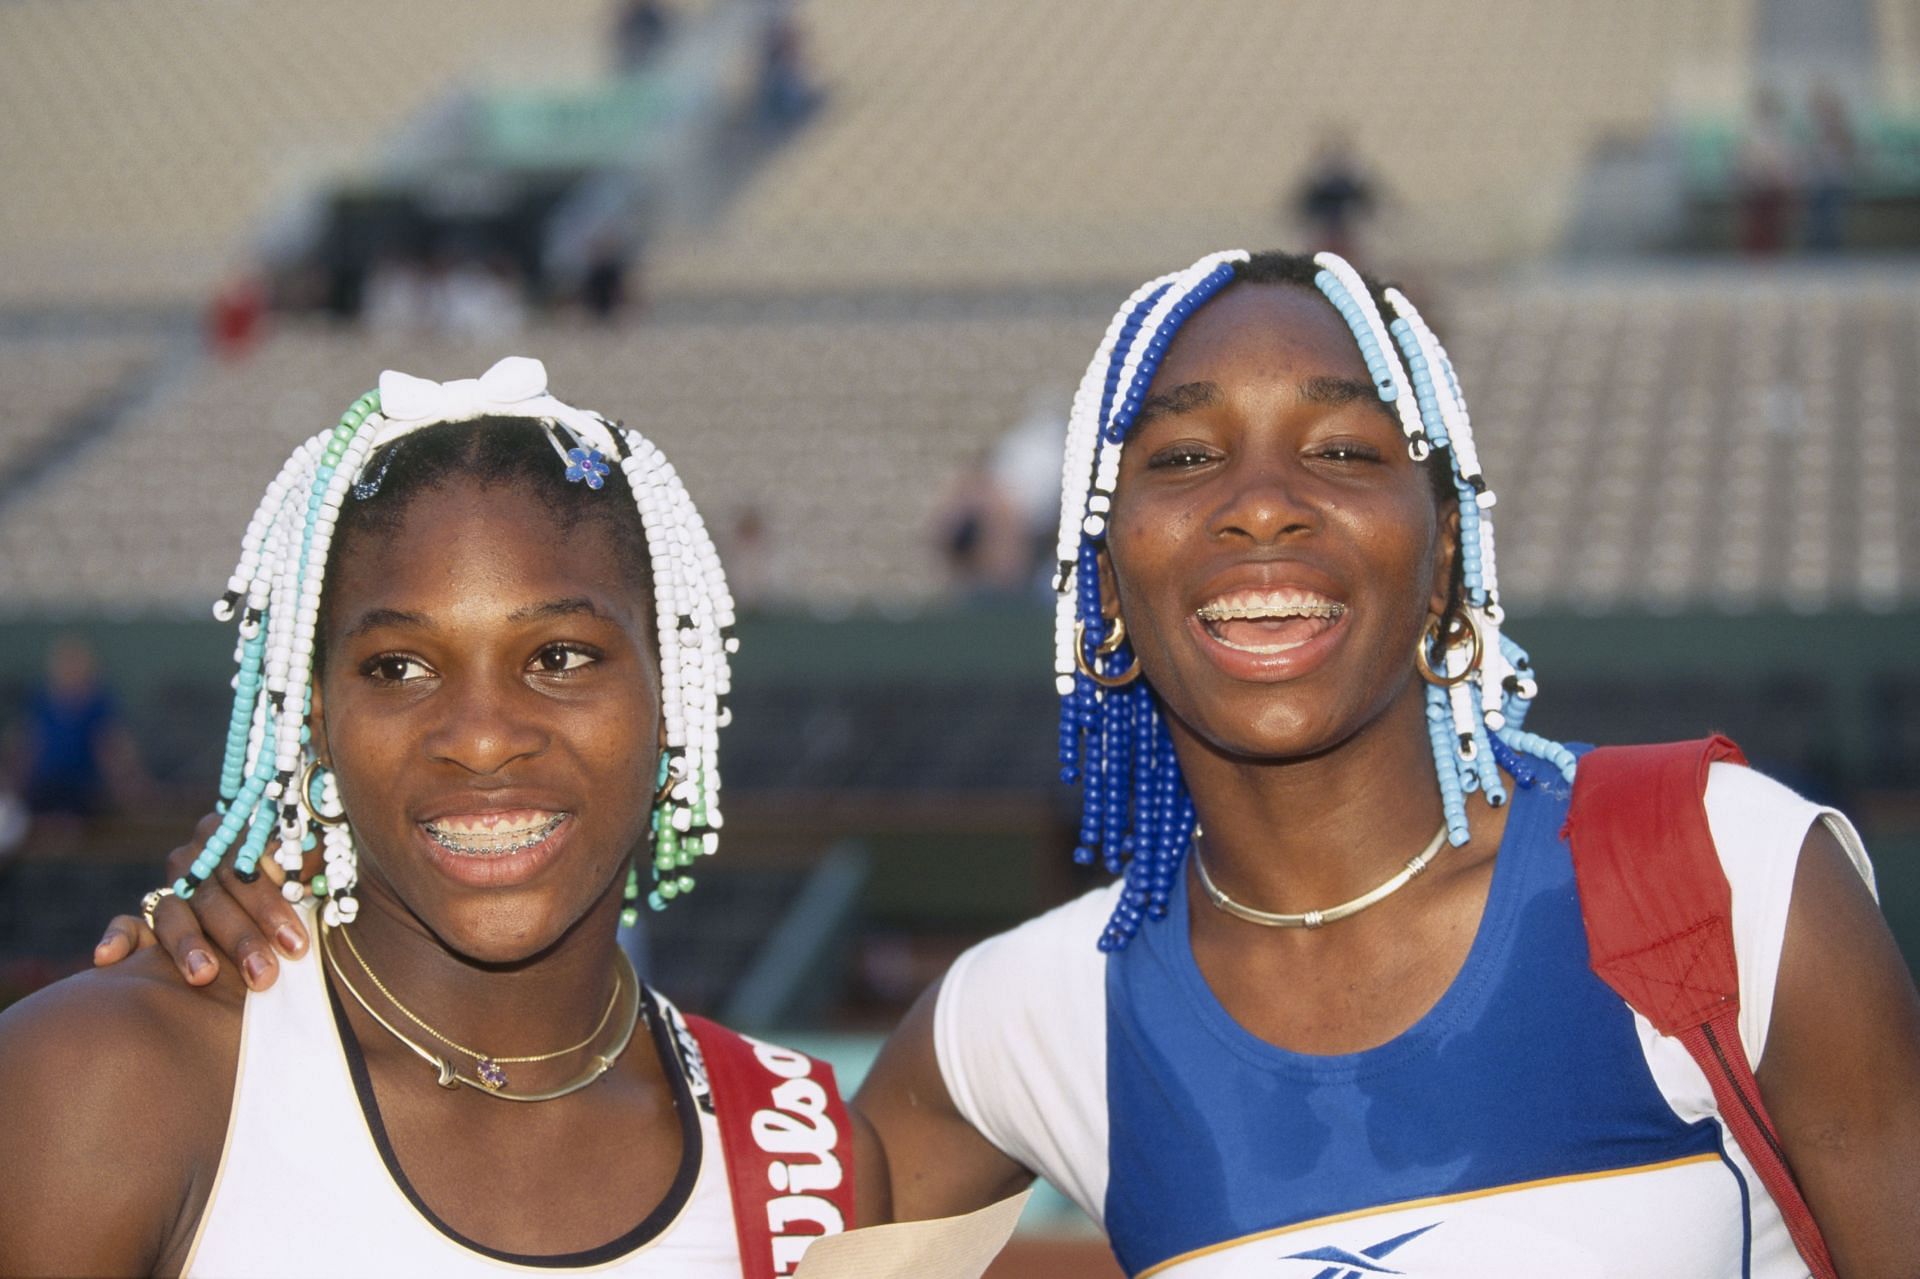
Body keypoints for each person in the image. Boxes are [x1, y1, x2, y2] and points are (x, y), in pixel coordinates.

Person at [101, 255, 1920, 1276]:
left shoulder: (1726, 871)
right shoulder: (1019, 1018)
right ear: (1103, 584)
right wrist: (259, 956)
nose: (1267, 502)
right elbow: (680, 1227)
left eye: (1346, 450)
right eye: (1187, 457)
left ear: (1446, 549)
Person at [0, 359, 882, 1276]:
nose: (484, 737)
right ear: (314, 721)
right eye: (397, 667)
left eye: (562, 654)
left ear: (675, 694)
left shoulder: (812, 1158)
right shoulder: (101, 1087)